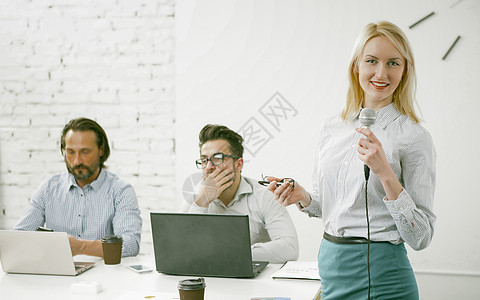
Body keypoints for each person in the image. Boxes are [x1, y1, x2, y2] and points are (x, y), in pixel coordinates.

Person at [266, 21, 436, 299]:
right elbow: (331, 206)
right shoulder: (332, 127)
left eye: (393, 63)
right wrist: (303, 196)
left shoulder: (414, 137)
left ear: (405, 71)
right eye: (372, 61)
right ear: (356, 65)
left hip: (384, 276)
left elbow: (421, 237)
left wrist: (385, 173)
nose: (382, 73)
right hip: (332, 266)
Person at [14, 117, 142, 258]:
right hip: (57, 275)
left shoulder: (120, 191)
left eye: (85, 152)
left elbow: (131, 244)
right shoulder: (48, 189)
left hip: (105, 277)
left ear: (101, 150)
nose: (77, 161)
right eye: (70, 152)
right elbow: (18, 238)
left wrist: (80, 247)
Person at [182, 124, 299, 263]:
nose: (208, 167)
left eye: (217, 158)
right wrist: (202, 202)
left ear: (238, 164)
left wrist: (229, 253)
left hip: (254, 281)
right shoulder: (196, 198)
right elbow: (183, 249)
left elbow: (290, 249)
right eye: (204, 160)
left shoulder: (264, 195)